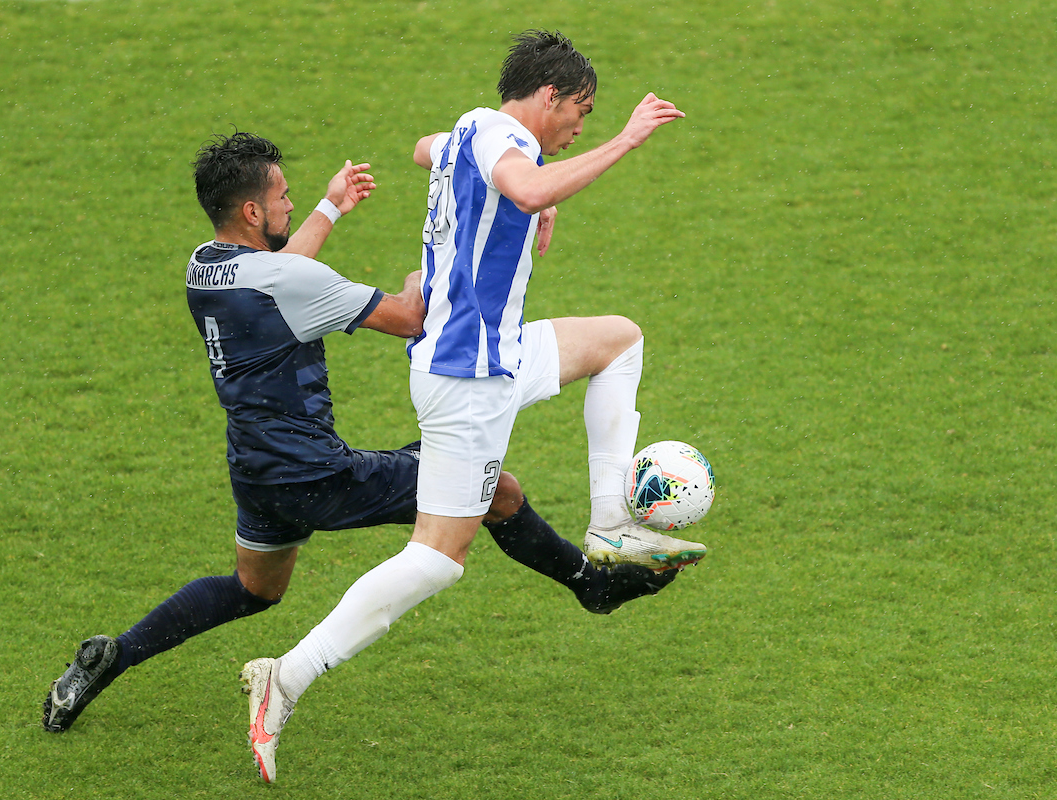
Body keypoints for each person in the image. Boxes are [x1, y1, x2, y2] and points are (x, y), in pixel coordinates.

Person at [41, 131, 676, 735]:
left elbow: (279, 271)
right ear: (252, 209)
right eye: (284, 196)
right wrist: (435, 264)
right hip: (316, 473)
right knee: (495, 492)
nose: (293, 202)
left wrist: (328, 207)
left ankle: (110, 655)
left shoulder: (207, 268)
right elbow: (411, 318)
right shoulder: (290, 282)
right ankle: (592, 586)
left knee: (253, 589)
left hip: (255, 470)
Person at [241, 30, 707, 783]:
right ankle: (285, 678)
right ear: (549, 96)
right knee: (436, 558)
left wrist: (531, 183)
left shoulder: (472, 128)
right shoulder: (500, 135)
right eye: (582, 111)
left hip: (495, 352)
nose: (582, 126)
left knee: (620, 342)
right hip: (470, 379)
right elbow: (522, 187)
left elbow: (429, 149)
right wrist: (620, 144)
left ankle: (612, 526)